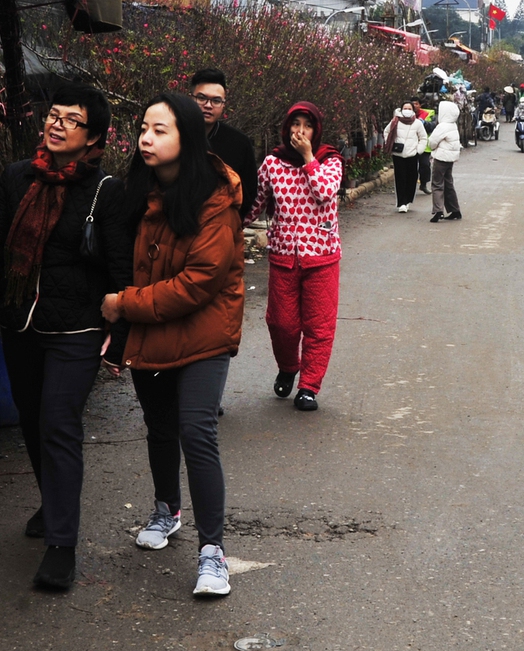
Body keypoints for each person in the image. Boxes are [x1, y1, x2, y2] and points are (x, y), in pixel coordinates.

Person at [0, 84, 134, 592]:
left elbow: (122, 271)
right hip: (20, 323)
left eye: (71, 120)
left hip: (77, 328)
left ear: (94, 137)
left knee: (59, 423)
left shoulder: (106, 191)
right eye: (52, 116)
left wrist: (119, 338)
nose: (56, 125)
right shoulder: (17, 178)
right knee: (34, 423)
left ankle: (62, 544)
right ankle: (52, 499)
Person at [102, 91, 245, 598]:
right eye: (143, 128)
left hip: (205, 331)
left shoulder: (215, 200)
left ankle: (214, 553)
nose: (146, 137)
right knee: (159, 427)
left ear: (186, 137)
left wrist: (124, 304)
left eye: (160, 130)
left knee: (195, 430)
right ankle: (167, 510)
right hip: (153, 328)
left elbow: (198, 282)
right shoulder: (135, 193)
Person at [251, 102, 345, 412]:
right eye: (295, 124)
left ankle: (309, 386)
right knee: (282, 324)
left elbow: (323, 192)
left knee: (319, 326)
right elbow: (254, 205)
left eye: (306, 125)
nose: (299, 131)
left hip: (322, 256)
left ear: (316, 131)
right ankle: (289, 366)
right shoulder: (272, 164)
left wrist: (308, 158)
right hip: (283, 256)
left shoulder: (330, 161)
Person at [188, 67, 258, 223]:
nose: (208, 105)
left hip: (219, 229)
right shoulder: (174, 136)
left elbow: (249, 193)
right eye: (201, 98)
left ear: (223, 104)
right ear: (190, 98)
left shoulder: (239, 143)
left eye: (216, 101)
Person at [386, 102, 428, 212]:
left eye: (409, 108)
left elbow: (423, 138)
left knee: (411, 177)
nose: (407, 110)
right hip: (398, 154)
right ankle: (401, 202)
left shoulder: (417, 123)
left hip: (412, 154)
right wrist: (391, 144)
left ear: (413, 110)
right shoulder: (395, 121)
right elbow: (387, 133)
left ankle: (408, 200)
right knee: (400, 178)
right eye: (405, 108)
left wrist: (418, 150)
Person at [427, 98, 463, 223]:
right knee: (448, 183)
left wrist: (433, 148)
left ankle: (438, 211)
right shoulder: (453, 125)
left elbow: (432, 142)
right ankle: (455, 210)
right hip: (450, 159)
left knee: (437, 184)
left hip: (441, 158)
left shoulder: (442, 126)